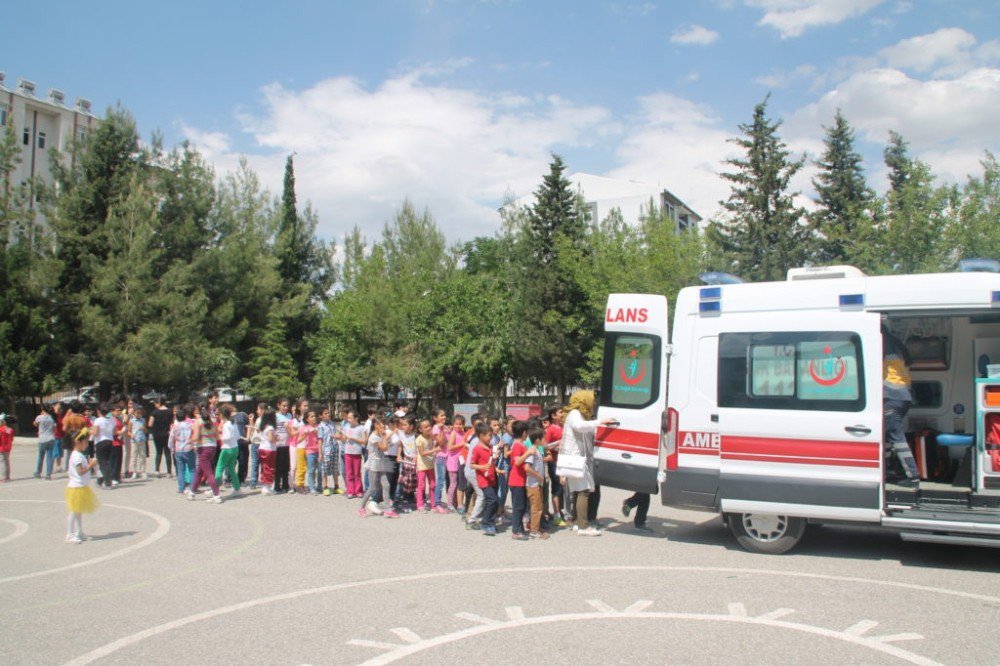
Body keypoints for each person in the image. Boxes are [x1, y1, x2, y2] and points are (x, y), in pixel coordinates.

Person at [559, 390, 616, 536]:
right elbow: (579, 427)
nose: (593, 402)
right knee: (583, 491)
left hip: (576, 458)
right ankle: (583, 526)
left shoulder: (576, 414)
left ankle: (579, 523)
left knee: (579, 491)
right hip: (576, 459)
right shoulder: (575, 414)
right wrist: (600, 422)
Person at [883, 324, 918, 485]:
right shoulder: (897, 343)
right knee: (887, 434)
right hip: (903, 394)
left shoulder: (881, 342)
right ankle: (888, 471)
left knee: (896, 436)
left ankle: (913, 477)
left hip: (891, 394)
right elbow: (909, 364)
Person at [358, 417, 399, 518]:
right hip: (374, 465)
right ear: (376, 426)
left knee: (386, 485)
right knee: (372, 488)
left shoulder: (379, 435)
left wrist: (388, 439)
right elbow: (384, 448)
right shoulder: (373, 437)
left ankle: (388, 510)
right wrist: (386, 438)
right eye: (382, 427)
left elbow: (386, 445)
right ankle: (361, 508)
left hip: (381, 463)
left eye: (384, 428)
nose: (384, 430)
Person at [65, 433, 99, 544]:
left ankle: (79, 532)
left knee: (79, 511)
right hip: (76, 487)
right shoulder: (76, 456)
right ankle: (69, 534)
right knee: (74, 511)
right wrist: (91, 465)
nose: (86, 445)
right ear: (77, 443)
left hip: (81, 486)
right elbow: (80, 472)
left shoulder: (79, 455)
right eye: (85, 443)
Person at [469, 423, 499, 536]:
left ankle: (490, 522)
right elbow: (472, 465)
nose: (491, 438)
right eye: (489, 436)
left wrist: (495, 458)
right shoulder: (477, 448)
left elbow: (491, 461)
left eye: (491, 435)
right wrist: (482, 467)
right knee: (493, 500)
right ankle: (485, 522)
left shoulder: (490, 447)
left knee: (495, 501)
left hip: (492, 478)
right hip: (483, 480)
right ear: (481, 436)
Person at [190, 404, 223, 503]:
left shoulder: (198, 422)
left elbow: (195, 437)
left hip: (203, 448)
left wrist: (188, 441)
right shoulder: (213, 422)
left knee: (208, 473)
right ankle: (192, 492)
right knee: (199, 471)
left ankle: (217, 495)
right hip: (212, 448)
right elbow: (217, 437)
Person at [507, 420, 531, 541]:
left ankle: (519, 528)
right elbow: (517, 461)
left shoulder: (521, 445)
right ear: (524, 433)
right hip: (516, 480)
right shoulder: (517, 445)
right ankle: (516, 531)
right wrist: (528, 453)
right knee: (518, 507)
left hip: (520, 480)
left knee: (521, 506)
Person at [524, 424, 550, 539]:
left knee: (539, 506)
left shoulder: (538, 451)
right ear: (538, 440)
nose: (545, 440)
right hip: (532, 484)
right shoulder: (532, 451)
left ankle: (536, 527)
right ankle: (534, 531)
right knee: (536, 508)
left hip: (537, 483)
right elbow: (527, 468)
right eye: (544, 438)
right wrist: (538, 476)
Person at [544, 404, 567, 526]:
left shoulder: (565, 427)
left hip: (566, 462)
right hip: (555, 462)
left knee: (564, 488)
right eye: (560, 412)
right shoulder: (551, 429)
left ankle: (563, 512)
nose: (563, 414)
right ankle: (557, 515)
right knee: (557, 488)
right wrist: (559, 443)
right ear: (553, 416)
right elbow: (545, 446)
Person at [169, 406, 196, 498]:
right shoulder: (191, 425)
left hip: (179, 449)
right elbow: (194, 436)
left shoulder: (175, 427)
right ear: (185, 417)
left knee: (181, 470)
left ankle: (181, 488)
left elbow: (171, 438)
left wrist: (171, 447)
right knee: (192, 469)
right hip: (189, 448)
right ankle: (193, 487)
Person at [216, 405, 241, 497]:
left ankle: (215, 489)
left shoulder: (226, 425)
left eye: (219, 414)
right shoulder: (233, 423)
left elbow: (227, 437)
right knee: (231, 469)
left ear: (222, 415)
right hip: (235, 448)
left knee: (219, 468)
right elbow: (238, 436)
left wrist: (219, 436)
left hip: (227, 449)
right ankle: (237, 489)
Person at [342, 409, 367, 498]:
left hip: (357, 453)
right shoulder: (346, 427)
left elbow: (364, 441)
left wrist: (353, 438)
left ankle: (358, 491)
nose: (348, 420)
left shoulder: (361, 428)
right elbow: (344, 440)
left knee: (357, 473)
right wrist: (341, 436)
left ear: (356, 418)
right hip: (347, 452)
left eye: (350, 418)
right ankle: (350, 491)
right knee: (349, 473)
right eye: (348, 418)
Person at [414, 418, 437, 512]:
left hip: (431, 464)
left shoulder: (432, 436)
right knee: (421, 485)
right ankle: (420, 505)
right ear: (420, 430)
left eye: (429, 426)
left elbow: (437, 443)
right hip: (422, 465)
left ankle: (433, 504)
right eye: (425, 427)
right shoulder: (419, 439)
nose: (428, 428)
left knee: (432, 485)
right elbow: (422, 453)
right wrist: (434, 450)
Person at [92, 405, 116, 489]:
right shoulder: (112, 419)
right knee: (107, 462)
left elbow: (95, 432)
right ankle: (101, 480)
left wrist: (89, 431)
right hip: (110, 441)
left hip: (100, 442)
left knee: (102, 463)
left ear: (99, 412)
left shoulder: (98, 420)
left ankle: (107, 482)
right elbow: (115, 432)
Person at [149, 399, 173, 478]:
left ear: (159, 403)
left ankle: (157, 470)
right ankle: (169, 472)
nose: (155, 405)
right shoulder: (170, 412)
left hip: (157, 434)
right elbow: (172, 422)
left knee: (158, 452)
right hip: (167, 434)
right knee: (167, 452)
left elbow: (150, 424)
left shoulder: (154, 412)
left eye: (156, 403)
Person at [318, 407, 340, 496]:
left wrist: (337, 437)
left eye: (328, 413)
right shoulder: (320, 426)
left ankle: (336, 486)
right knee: (325, 469)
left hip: (334, 448)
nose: (328, 415)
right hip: (326, 450)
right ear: (321, 416)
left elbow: (335, 434)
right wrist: (320, 453)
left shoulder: (332, 424)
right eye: (325, 413)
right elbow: (320, 440)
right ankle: (325, 487)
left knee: (335, 468)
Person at [274, 399, 292, 494]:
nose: (285, 408)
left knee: (286, 465)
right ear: (278, 405)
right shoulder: (276, 416)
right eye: (283, 405)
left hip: (287, 444)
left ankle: (285, 484)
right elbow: (273, 428)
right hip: (278, 445)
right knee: (278, 466)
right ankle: (277, 485)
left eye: (286, 406)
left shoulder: (289, 416)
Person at [34, 404, 57, 479]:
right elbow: (54, 428)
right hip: (51, 437)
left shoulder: (40, 417)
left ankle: (38, 472)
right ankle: (48, 474)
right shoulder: (51, 418)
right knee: (49, 456)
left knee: (41, 456)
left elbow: (35, 424)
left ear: (42, 409)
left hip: (42, 438)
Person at [258, 410, 277, 496]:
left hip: (262, 448)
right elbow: (271, 439)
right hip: (269, 449)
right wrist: (277, 438)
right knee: (269, 468)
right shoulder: (270, 428)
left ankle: (266, 486)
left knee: (264, 467)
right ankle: (267, 487)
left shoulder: (263, 426)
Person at [129, 406, 148, 480]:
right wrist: (131, 435)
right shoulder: (131, 421)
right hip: (134, 440)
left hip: (142, 439)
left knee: (142, 456)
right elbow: (128, 431)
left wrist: (144, 429)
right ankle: (134, 471)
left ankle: (143, 471)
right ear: (134, 413)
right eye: (137, 413)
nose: (138, 414)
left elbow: (146, 431)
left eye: (140, 413)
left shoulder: (143, 420)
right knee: (134, 456)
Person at [0, 414, 13, 482]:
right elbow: (11, 439)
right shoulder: (10, 430)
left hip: (2, 447)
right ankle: (8, 476)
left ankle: (4, 477)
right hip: (8, 447)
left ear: (4, 422)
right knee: (7, 462)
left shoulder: (1, 429)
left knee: (2, 462)